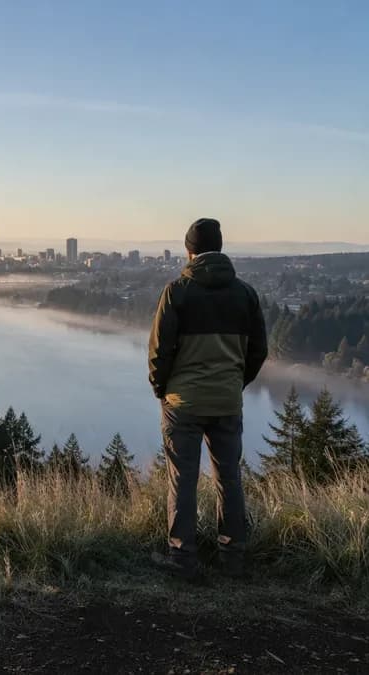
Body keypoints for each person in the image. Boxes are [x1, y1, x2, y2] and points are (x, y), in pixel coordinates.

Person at [148, 218, 267, 580]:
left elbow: (159, 353)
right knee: (229, 478)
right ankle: (233, 558)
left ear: (189, 251)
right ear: (220, 247)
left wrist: (162, 390)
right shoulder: (245, 294)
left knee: (182, 479)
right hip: (227, 402)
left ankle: (183, 560)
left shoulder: (177, 291)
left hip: (182, 403)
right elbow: (258, 352)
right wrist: (234, 384)